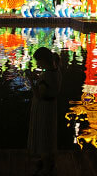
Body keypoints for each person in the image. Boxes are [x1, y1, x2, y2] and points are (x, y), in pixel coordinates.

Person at [25, 47, 62, 176]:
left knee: (43, 134)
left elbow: (39, 95)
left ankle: (46, 168)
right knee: (50, 133)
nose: (37, 64)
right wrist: (38, 78)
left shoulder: (46, 76)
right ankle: (50, 161)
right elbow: (47, 86)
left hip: (44, 109)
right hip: (52, 106)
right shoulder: (56, 70)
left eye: (38, 61)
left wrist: (31, 80)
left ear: (43, 60)